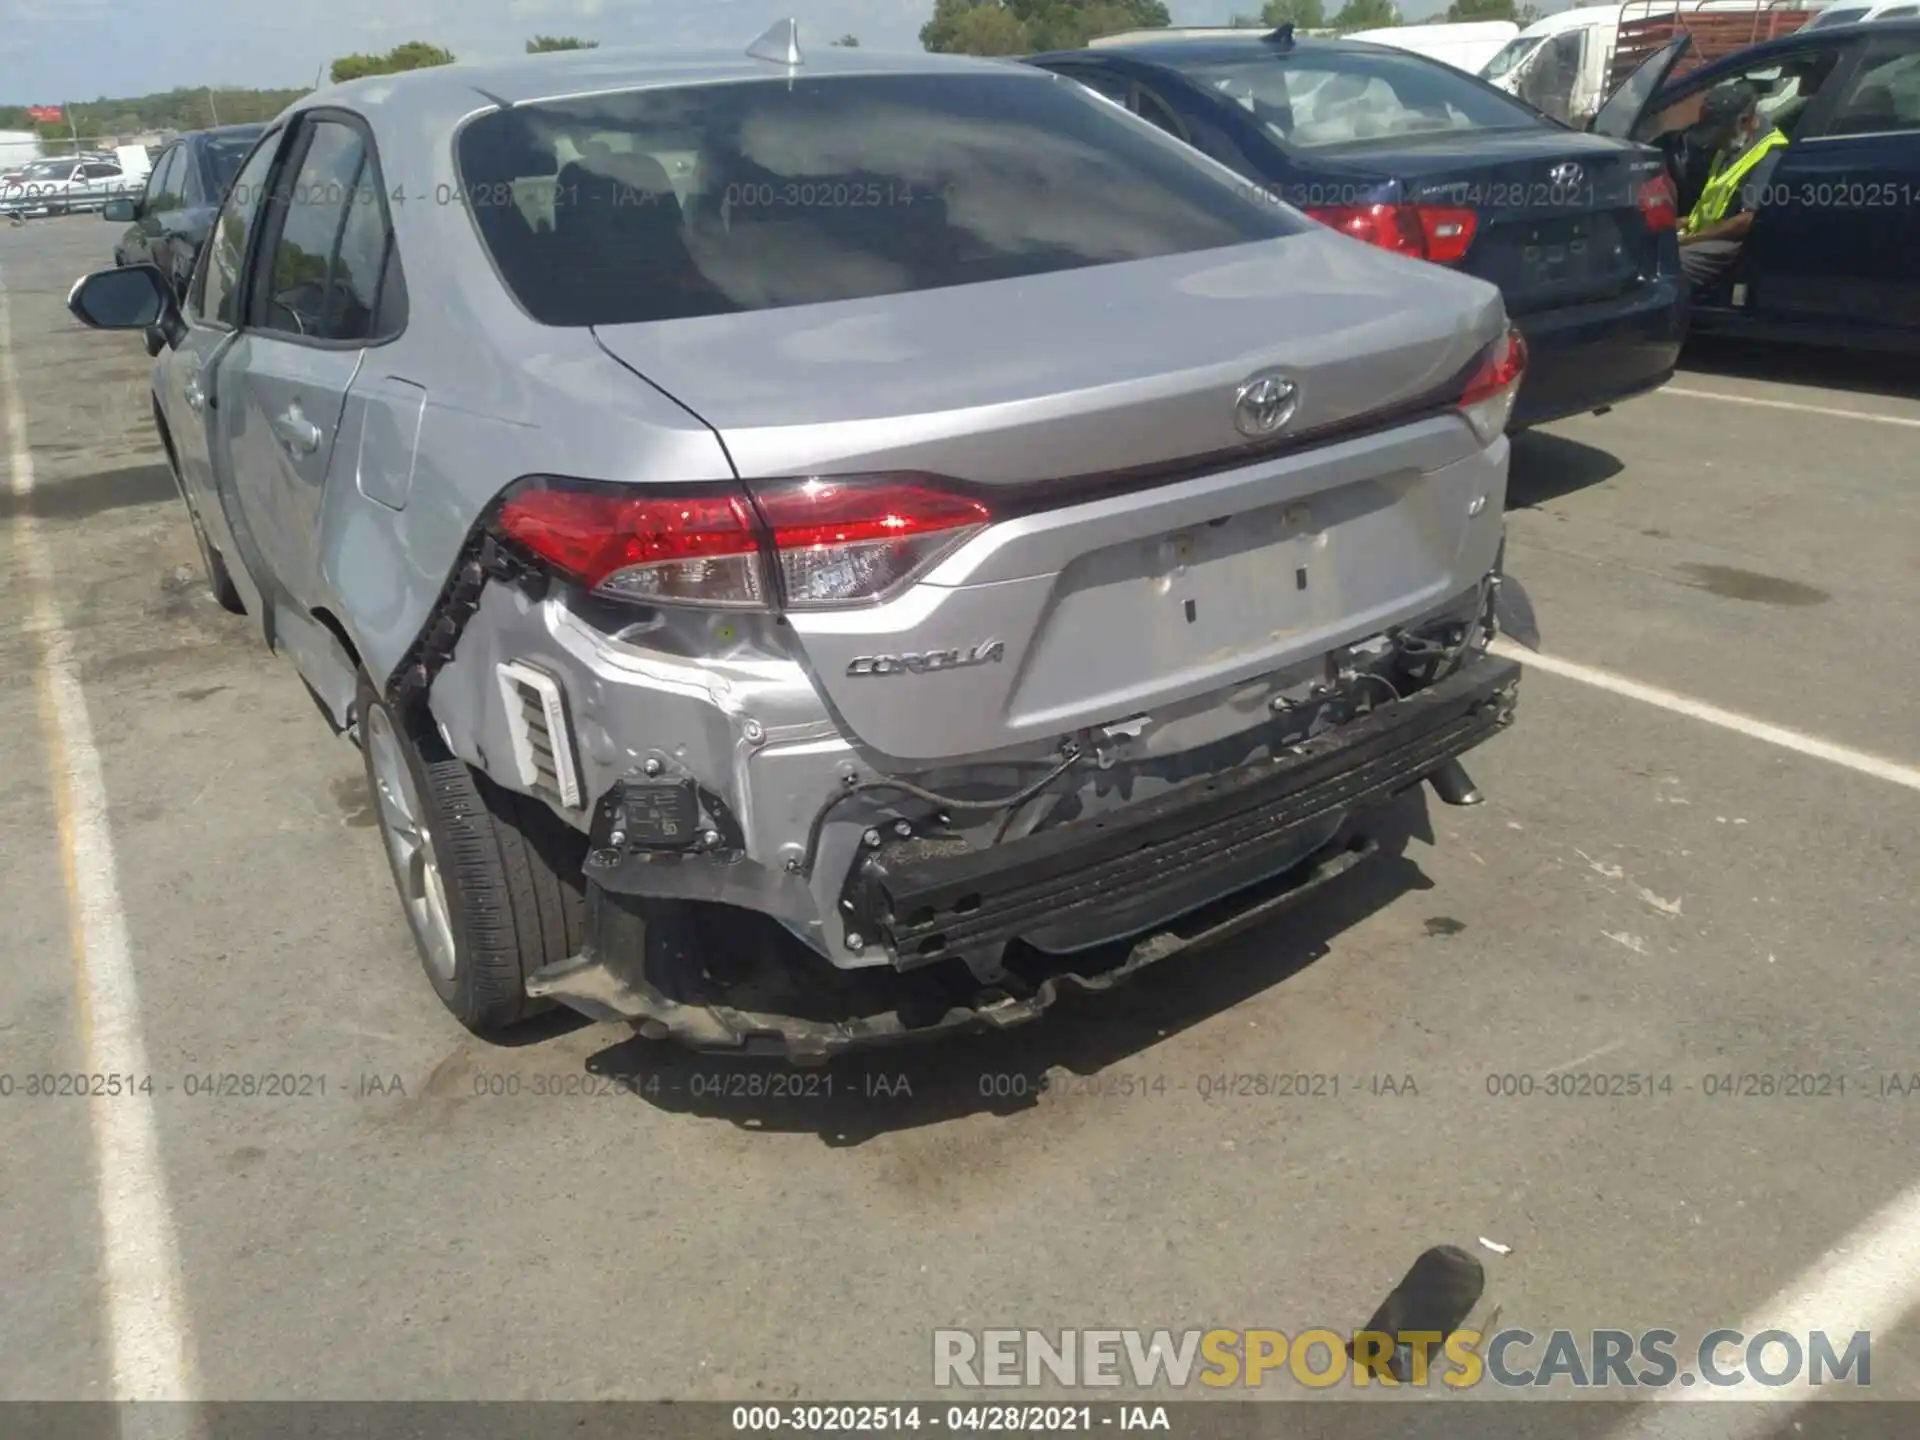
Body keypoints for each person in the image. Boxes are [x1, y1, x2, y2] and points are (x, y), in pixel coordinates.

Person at [1676, 82, 1789, 296]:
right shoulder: (1729, 148)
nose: (1714, 140)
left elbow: (1746, 221)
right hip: (1706, 234)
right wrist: (1678, 225)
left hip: (1733, 242)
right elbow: (1710, 207)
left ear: (1744, 121)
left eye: (1719, 131)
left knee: (1670, 266)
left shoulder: (1770, 153)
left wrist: (1689, 239)